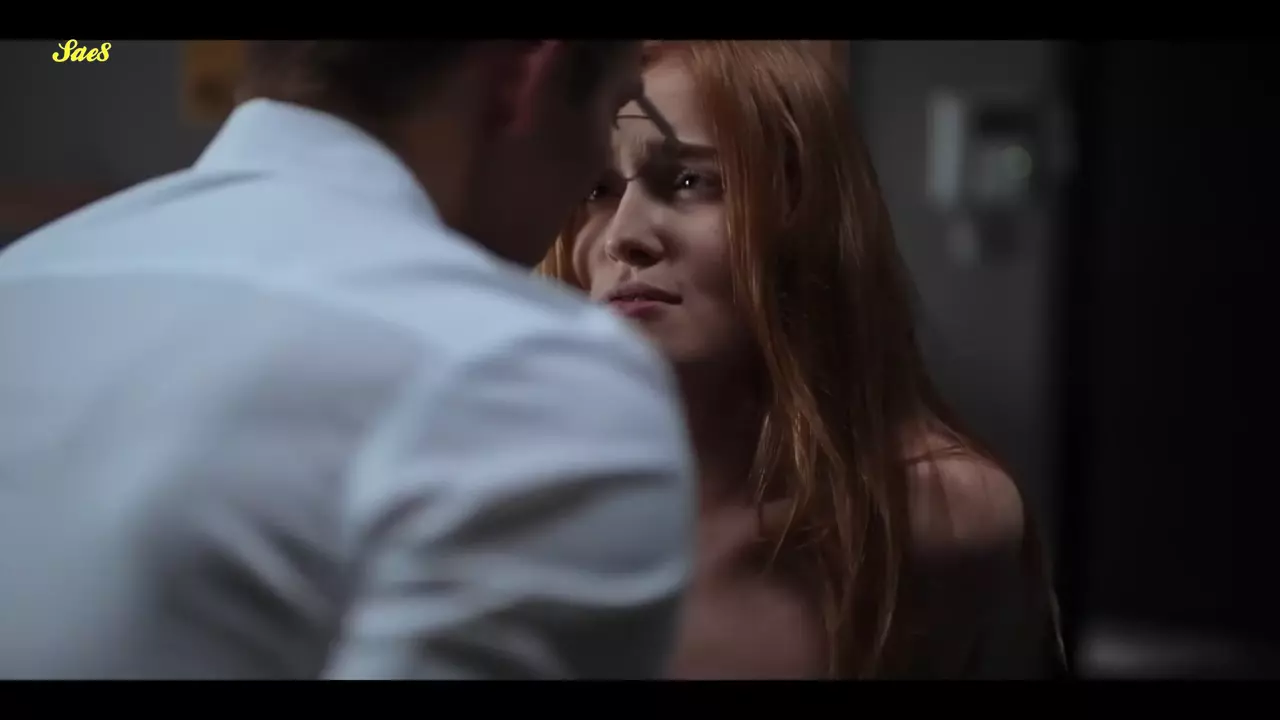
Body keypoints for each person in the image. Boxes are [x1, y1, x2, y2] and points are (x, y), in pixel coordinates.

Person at [0, 41, 697, 679]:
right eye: (607, 116)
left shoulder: (23, 286)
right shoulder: (526, 377)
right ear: (525, 77)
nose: (607, 224)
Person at [540, 40, 1065, 679]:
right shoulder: (518, 497)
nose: (623, 236)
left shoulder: (938, 520)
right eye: (597, 189)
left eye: (689, 181)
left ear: (804, 214)